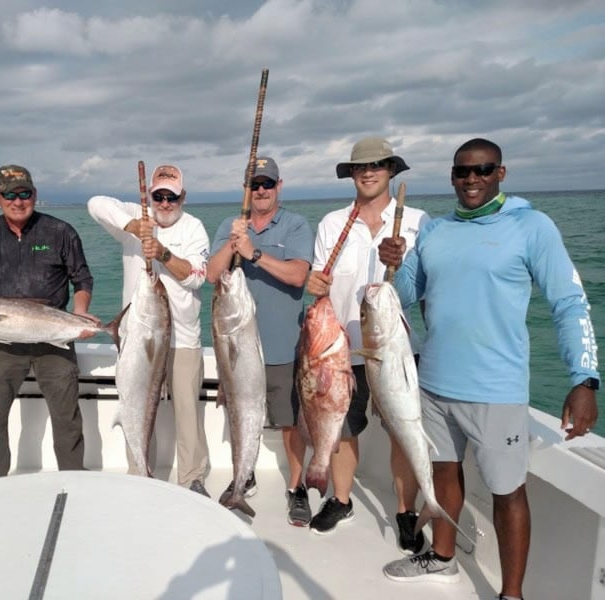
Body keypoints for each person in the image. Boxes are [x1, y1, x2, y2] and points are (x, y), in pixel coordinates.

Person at [379, 138, 599, 600]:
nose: (472, 180)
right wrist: (395, 264)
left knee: (507, 491)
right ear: (452, 177)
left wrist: (584, 379)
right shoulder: (435, 231)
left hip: (496, 389)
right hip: (434, 382)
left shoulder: (531, 226)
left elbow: (568, 302)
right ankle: (441, 558)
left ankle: (511, 593)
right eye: (463, 172)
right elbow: (401, 295)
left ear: (501, 172)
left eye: (483, 170)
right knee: (442, 473)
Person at [305, 137, 431, 549]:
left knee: (402, 431)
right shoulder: (331, 223)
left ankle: (405, 510)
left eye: (378, 164)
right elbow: (319, 284)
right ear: (352, 174)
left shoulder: (416, 220)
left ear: (392, 170)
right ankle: (341, 500)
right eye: (361, 167)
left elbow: (428, 286)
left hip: (396, 349)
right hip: (343, 348)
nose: (369, 171)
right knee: (341, 427)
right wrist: (314, 283)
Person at [0, 165, 96, 479]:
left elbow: (82, 279)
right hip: (2, 341)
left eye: (25, 193)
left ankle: (73, 477)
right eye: (10, 194)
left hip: (53, 339)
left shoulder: (60, 232)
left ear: (34, 194)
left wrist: (80, 314)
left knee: (67, 418)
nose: (18, 200)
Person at [87, 164, 211, 495]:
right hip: (138, 342)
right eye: (159, 196)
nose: (165, 203)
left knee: (187, 413)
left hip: (183, 340)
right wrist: (134, 227)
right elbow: (95, 203)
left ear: (183, 197)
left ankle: (192, 478)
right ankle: (139, 474)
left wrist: (163, 253)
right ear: (151, 196)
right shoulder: (135, 218)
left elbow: (198, 276)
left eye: (172, 197)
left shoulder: (194, 228)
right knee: (136, 406)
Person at [206, 156, 315, 526]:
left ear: (279, 186)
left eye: (268, 184)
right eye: (255, 185)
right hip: (236, 350)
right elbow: (212, 274)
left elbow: (298, 275)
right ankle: (242, 477)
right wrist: (232, 242)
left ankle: (297, 488)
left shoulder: (296, 224)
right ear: (246, 190)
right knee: (240, 417)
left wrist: (252, 251)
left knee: (290, 424)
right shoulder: (229, 225)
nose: (262, 190)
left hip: (284, 348)